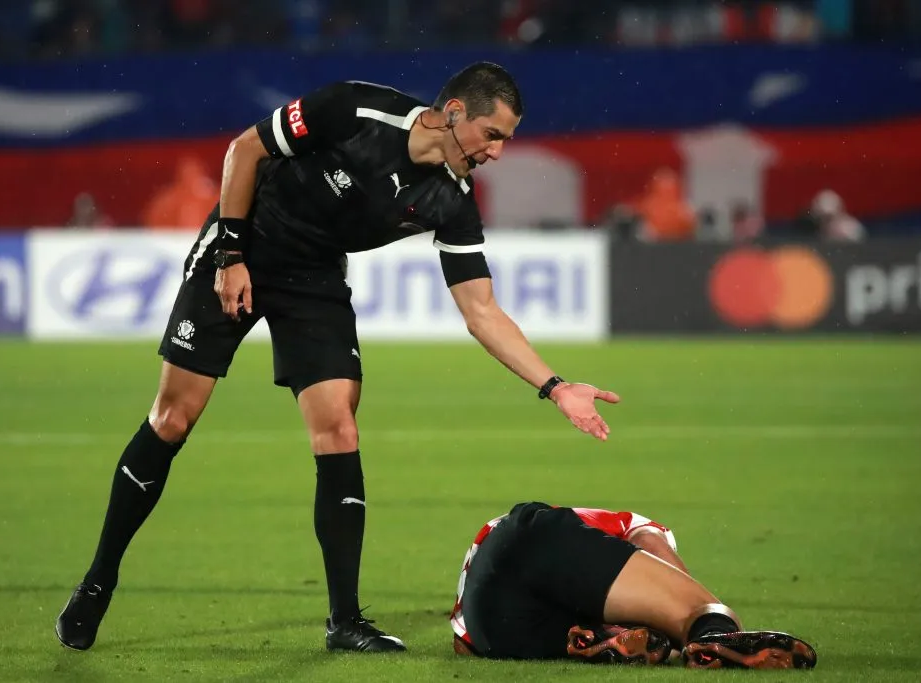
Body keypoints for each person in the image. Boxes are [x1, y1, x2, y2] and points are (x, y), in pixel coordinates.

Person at [55, 62, 620, 654]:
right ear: (454, 113)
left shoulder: (451, 199)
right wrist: (230, 256)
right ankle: (98, 581)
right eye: (493, 134)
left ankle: (345, 621)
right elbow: (244, 150)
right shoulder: (354, 110)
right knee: (173, 418)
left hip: (313, 278)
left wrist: (555, 386)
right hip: (245, 242)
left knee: (339, 427)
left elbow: (481, 311)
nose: (497, 153)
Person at [450, 502, 818, 669]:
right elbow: (652, 545)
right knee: (696, 615)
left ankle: (600, 637)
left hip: (487, 629)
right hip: (532, 539)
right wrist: (696, 614)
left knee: (604, 631)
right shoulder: (630, 524)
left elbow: (462, 644)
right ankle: (715, 636)